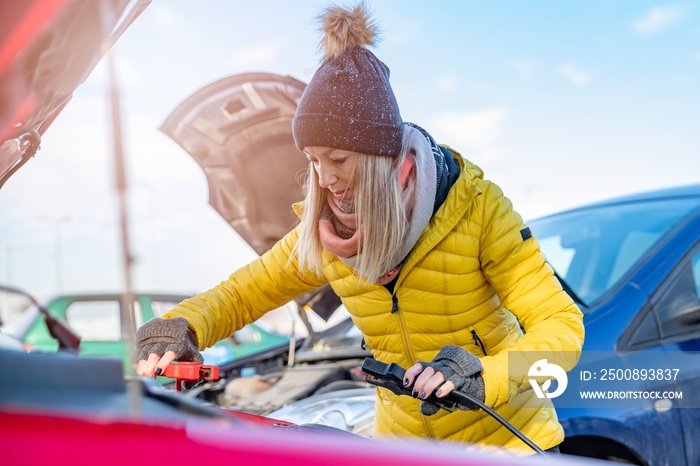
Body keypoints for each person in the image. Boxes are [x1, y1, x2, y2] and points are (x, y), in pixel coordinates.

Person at [134, 3, 584, 456]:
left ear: (380, 157)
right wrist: (183, 327)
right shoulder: (328, 232)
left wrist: (485, 376)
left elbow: (562, 328)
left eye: (339, 159)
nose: (325, 178)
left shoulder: (478, 210)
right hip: (404, 452)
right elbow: (244, 293)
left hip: (510, 446)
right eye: (313, 161)